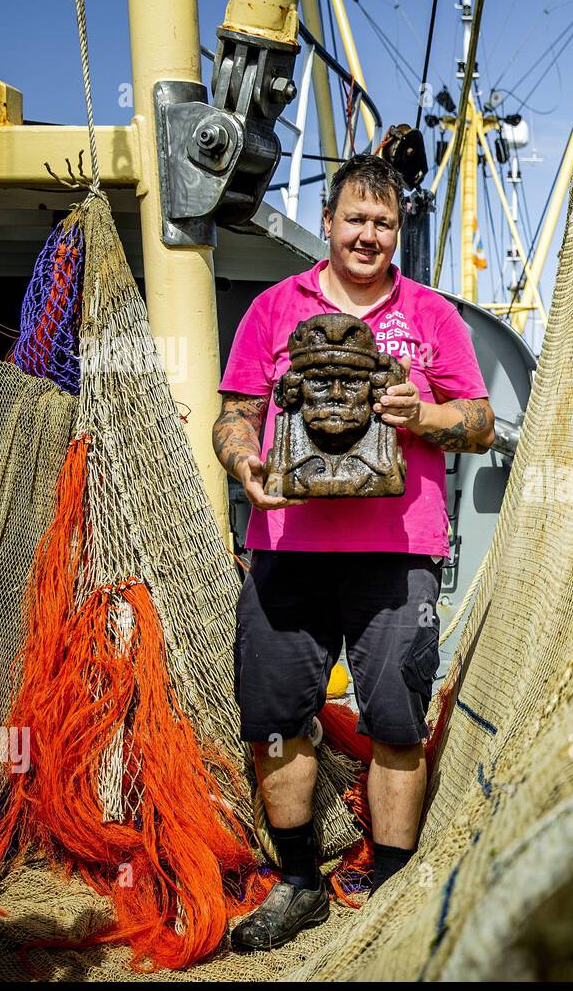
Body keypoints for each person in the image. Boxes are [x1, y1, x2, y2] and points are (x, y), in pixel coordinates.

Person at [212, 153, 495, 950]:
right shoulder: (272, 308)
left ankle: (395, 888)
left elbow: (480, 422)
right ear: (329, 223)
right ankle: (299, 882)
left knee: (398, 721)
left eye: (384, 222)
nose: (369, 234)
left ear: (395, 231)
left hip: (398, 552)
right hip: (286, 548)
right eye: (355, 219)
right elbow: (234, 415)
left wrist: (423, 416)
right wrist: (246, 464)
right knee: (273, 721)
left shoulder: (431, 315)